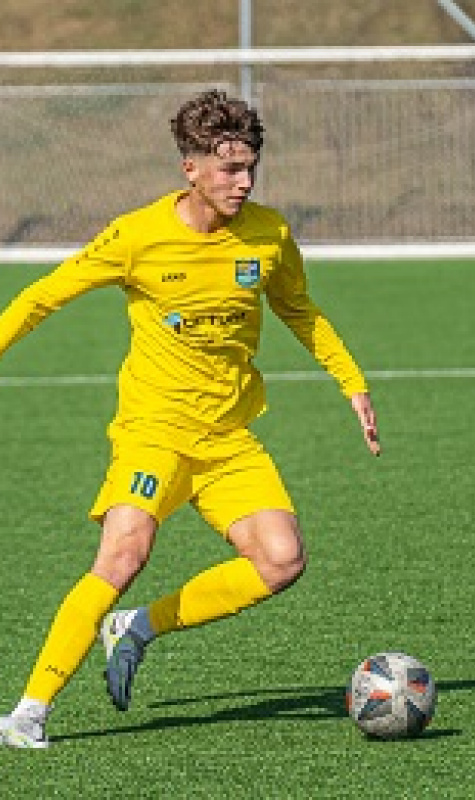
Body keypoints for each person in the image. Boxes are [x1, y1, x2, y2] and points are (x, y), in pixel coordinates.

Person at [0, 89, 381, 749]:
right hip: (154, 433)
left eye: (251, 165)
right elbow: (42, 297)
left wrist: (352, 382)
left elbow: (300, 310)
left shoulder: (268, 234)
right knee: (123, 552)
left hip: (228, 440)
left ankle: (138, 626)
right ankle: (29, 711)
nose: (244, 181)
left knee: (281, 561)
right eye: (229, 167)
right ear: (191, 169)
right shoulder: (136, 237)